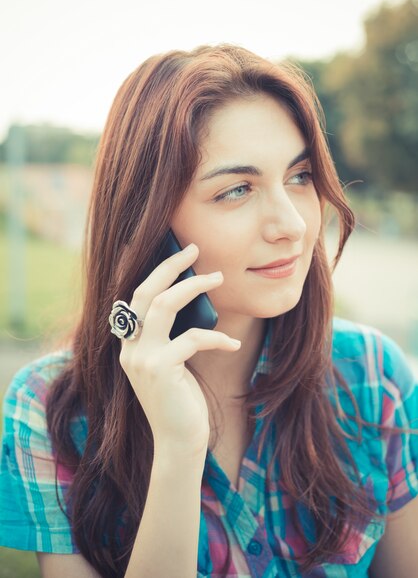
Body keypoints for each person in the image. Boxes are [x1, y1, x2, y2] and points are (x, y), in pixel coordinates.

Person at [0, 44, 417, 578]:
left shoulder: (372, 377)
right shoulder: (52, 410)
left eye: (300, 176)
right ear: (147, 223)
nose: (290, 224)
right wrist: (178, 448)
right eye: (237, 190)